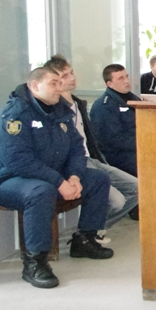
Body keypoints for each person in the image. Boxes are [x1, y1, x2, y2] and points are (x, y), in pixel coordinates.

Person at [0, 67, 113, 289]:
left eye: (60, 83)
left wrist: (74, 177)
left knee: (98, 179)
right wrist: (59, 182)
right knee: (41, 192)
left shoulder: (60, 111)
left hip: (48, 175)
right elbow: (18, 161)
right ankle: (35, 262)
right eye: (53, 83)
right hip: (8, 179)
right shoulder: (14, 114)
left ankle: (85, 240)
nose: (59, 88)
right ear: (35, 85)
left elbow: (76, 148)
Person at [45, 55, 140, 227]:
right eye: (65, 75)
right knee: (116, 201)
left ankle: (93, 229)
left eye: (71, 73)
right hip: (75, 165)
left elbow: (89, 140)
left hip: (92, 159)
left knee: (138, 188)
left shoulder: (78, 104)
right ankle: (87, 232)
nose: (72, 78)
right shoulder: (54, 109)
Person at [90, 64, 141, 178]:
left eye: (126, 76)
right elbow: (113, 140)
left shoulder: (133, 98)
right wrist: (144, 143)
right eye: (120, 78)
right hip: (120, 156)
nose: (126, 81)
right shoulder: (104, 106)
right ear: (110, 84)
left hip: (137, 148)